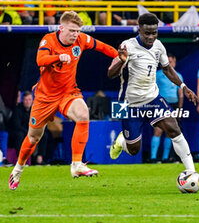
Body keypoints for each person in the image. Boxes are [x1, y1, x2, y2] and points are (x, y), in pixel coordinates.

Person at [9, 11, 118, 190]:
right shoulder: (49, 40)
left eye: (77, 31)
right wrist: (58, 57)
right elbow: (40, 60)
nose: (75, 34)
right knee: (34, 137)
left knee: (83, 114)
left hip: (68, 92)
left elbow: (101, 46)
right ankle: (18, 169)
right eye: (72, 30)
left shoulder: (81, 39)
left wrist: (117, 55)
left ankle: (76, 164)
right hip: (45, 97)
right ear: (61, 28)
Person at [107, 13, 199, 190]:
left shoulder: (158, 46)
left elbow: (167, 69)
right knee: (134, 150)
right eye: (147, 33)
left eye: (154, 33)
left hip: (153, 98)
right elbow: (110, 73)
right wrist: (121, 61)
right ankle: (122, 142)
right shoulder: (127, 46)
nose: (150, 37)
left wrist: (184, 86)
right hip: (129, 104)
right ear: (139, 30)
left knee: (174, 130)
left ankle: (195, 176)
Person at [150, 53, 184, 163]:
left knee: (170, 131)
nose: (170, 64)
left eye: (172, 61)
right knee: (158, 130)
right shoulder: (158, 75)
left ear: (175, 62)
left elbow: (181, 94)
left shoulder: (178, 75)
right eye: (168, 61)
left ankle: (166, 158)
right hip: (160, 104)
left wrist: (180, 109)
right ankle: (153, 157)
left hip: (173, 105)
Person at [9, 91, 50, 165]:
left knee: (44, 135)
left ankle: (39, 158)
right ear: (22, 100)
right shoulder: (17, 109)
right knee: (19, 135)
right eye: (25, 100)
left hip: (31, 132)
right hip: (20, 131)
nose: (28, 102)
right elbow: (16, 125)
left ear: (32, 100)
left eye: (29, 100)